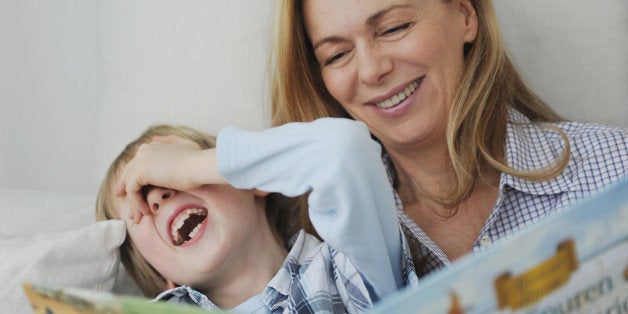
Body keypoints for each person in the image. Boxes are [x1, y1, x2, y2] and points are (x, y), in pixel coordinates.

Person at [268, 0, 628, 276]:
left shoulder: (615, 165)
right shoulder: (318, 251)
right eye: (337, 54)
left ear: (465, 15)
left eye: (394, 28)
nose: (372, 70)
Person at [99, 120, 417, 313]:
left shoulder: (346, 269)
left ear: (254, 181)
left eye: (170, 176)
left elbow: (344, 150)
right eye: (139, 200)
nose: (158, 195)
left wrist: (188, 167)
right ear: (157, 276)